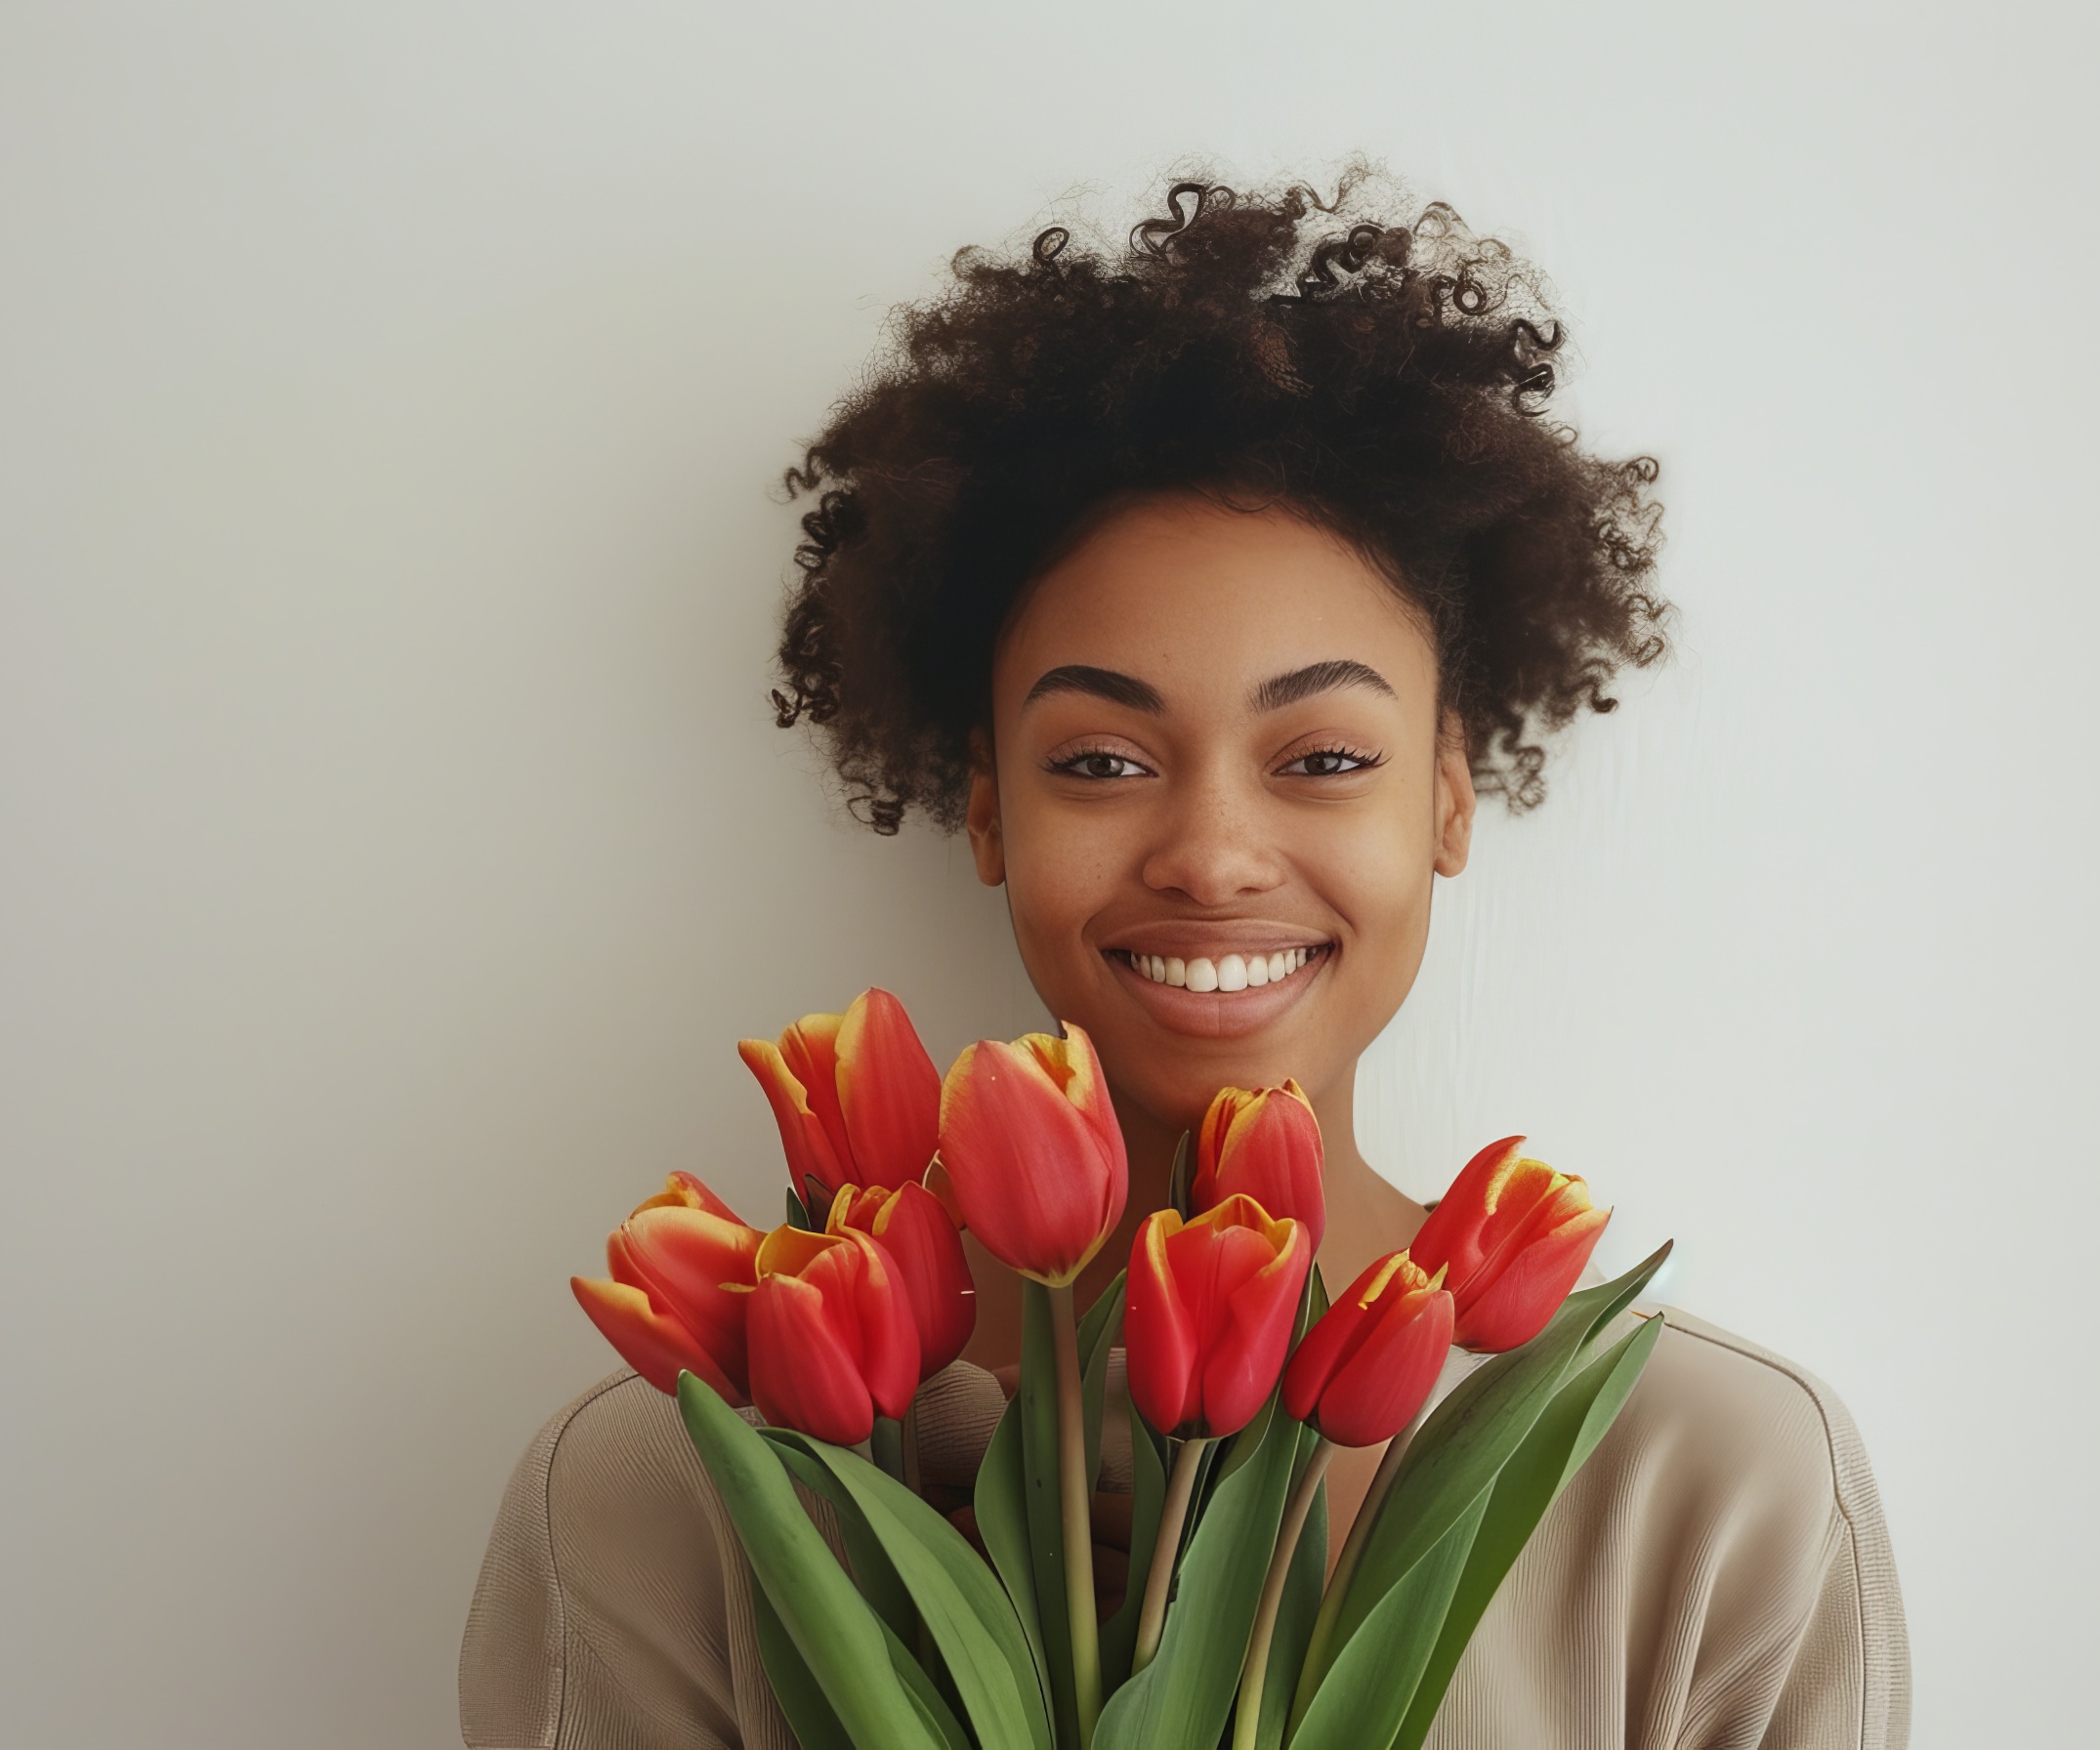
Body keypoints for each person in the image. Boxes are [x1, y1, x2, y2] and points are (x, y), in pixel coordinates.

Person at [458, 170, 1909, 1750]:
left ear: (1447, 794)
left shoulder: (1718, 1487)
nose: (1214, 854)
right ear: (985, 807)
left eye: (1327, 758)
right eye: (1099, 761)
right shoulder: (663, 1492)